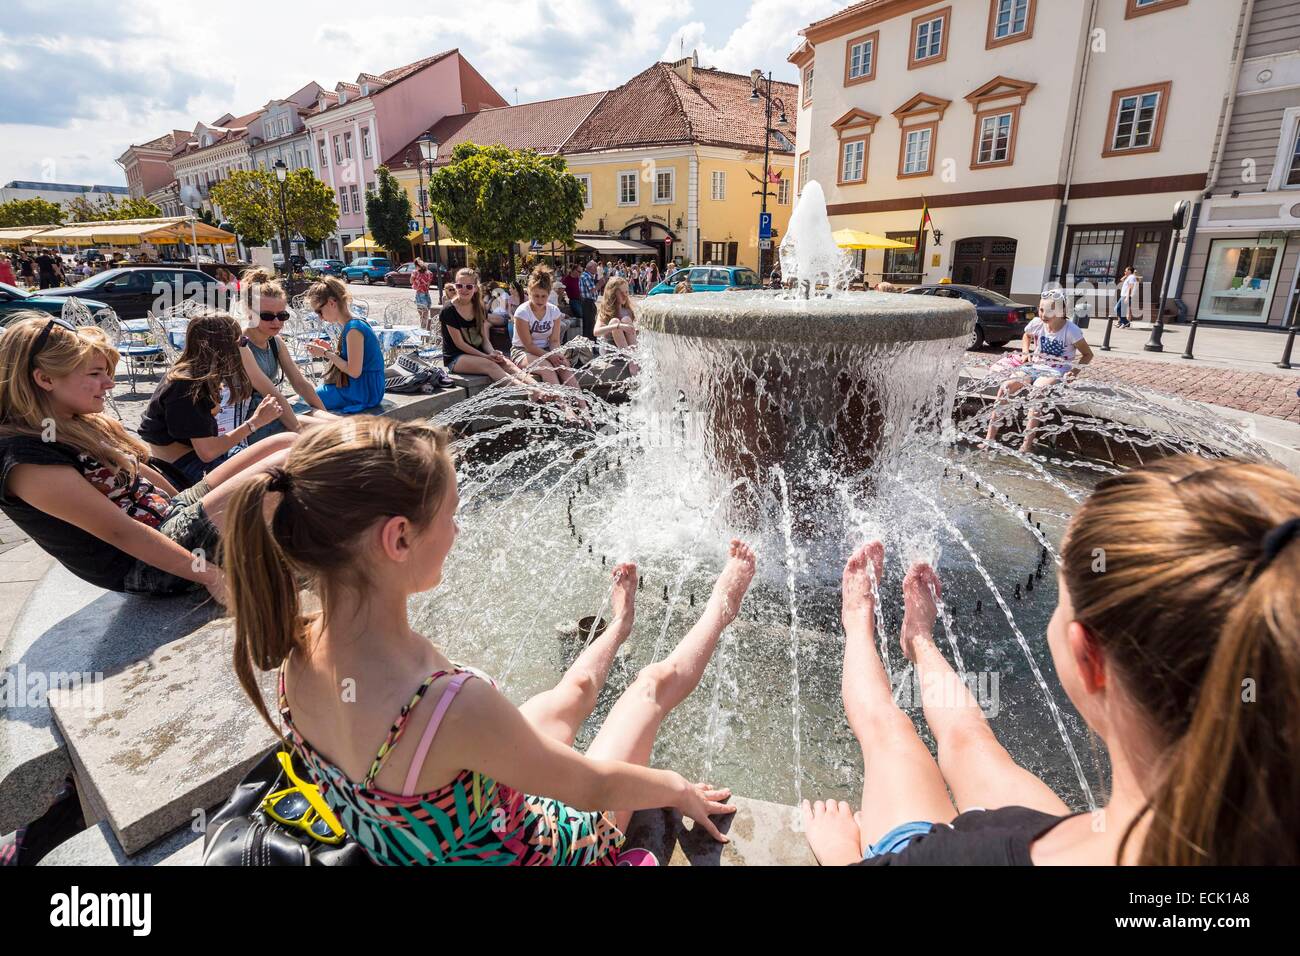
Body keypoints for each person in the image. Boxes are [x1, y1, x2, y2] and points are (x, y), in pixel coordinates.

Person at [225, 415, 757, 865]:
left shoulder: (294, 652)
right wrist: (679, 790)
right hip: (540, 848)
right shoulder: (448, 707)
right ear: (400, 537)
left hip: (439, 830)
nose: (457, 531)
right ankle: (721, 607)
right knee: (650, 687)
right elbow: (593, 787)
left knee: (570, 695)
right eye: (451, 516)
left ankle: (617, 628)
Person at [802, 454, 1300, 866]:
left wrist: (843, 854)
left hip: (976, 840)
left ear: (1089, 659)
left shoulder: (942, 860)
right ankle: (920, 641)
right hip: (1062, 833)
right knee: (972, 737)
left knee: (887, 730)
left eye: (1061, 604)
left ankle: (858, 623)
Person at [0, 312, 294, 601]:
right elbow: (119, 533)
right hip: (148, 564)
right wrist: (212, 577)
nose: (109, 384)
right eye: (94, 374)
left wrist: (197, 506)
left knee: (285, 443)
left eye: (107, 372)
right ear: (45, 379)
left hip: (168, 518)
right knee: (282, 466)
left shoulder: (74, 423)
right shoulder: (26, 458)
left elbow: (142, 472)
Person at [139, 311, 286, 486]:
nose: (244, 347)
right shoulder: (188, 384)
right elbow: (208, 452)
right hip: (183, 467)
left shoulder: (192, 374)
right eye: (242, 342)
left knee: (281, 452)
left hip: (189, 457)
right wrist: (254, 422)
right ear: (224, 346)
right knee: (271, 476)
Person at [234, 267, 340, 444]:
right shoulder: (242, 344)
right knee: (330, 433)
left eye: (282, 315)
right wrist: (301, 434)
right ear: (250, 312)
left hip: (275, 407)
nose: (276, 322)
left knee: (340, 424)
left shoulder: (275, 342)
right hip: (253, 418)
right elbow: (271, 392)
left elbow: (300, 384)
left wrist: (324, 412)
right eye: (267, 316)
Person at [985, 290, 1094, 453]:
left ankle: (1026, 445)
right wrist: (1025, 352)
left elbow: (1087, 354)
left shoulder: (1071, 330)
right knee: (1006, 388)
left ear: (1061, 312)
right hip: (1034, 365)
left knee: (1037, 392)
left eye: (1049, 311)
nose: (1043, 315)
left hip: (1055, 369)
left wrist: (1074, 372)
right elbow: (1026, 336)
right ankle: (989, 439)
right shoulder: (1037, 323)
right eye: (1041, 310)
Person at [438, 267, 535, 391]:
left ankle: (540, 388)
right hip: (456, 358)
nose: (463, 290)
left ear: (475, 287)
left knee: (506, 362)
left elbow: (484, 338)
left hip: (477, 354)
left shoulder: (479, 307)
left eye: (468, 286)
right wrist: (486, 356)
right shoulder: (448, 310)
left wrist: (492, 352)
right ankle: (531, 392)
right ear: (455, 286)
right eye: (459, 285)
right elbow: (460, 344)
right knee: (490, 365)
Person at [304, 276, 386, 414]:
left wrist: (326, 353)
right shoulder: (355, 323)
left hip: (361, 391)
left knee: (303, 401)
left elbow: (354, 371)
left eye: (319, 311)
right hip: (365, 387)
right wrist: (329, 349)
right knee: (302, 397)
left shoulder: (353, 328)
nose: (320, 316)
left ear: (331, 303)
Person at [512, 265, 585, 402]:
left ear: (549, 294)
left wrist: (557, 355)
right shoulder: (522, 312)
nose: (539, 300)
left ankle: (583, 408)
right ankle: (565, 409)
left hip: (546, 350)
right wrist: (550, 357)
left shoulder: (554, 311)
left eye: (543, 296)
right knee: (547, 369)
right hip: (522, 351)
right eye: (536, 296)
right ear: (529, 292)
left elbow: (554, 341)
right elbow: (528, 345)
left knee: (564, 367)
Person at [594, 275, 641, 375]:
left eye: (627, 292)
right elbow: (596, 332)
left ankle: (634, 357)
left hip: (627, 350)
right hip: (611, 351)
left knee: (627, 319)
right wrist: (618, 326)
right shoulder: (605, 312)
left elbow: (632, 334)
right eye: (621, 293)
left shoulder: (628, 311)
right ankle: (632, 359)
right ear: (613, 294)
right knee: (615, 321)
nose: (625, 296)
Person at [410, 258, 434, 329]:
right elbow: (428, 284)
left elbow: (411, 281)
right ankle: (426, 327)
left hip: (419, 293)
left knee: (421, 314)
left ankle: (423, 328)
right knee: (426, 313)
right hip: (426, 293)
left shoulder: (415, 272)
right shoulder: (429, 273)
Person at [578, 260, 599, 339]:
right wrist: (600, 283)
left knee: (590, 323)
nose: (596, 269)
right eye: (595, 267)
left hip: (587, 302)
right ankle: (590, 342)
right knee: (589, 324)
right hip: (587, 302)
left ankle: (590, 341)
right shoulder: (586, 276)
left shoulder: (586, 275)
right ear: (590, 268)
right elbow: (592, 290)